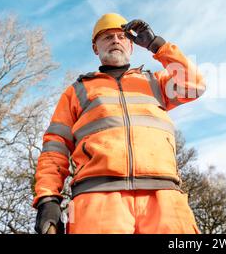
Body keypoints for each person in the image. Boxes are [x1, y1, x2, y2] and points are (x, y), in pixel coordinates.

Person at [33, 13, 205, 234]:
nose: (115, 40)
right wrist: (48, 198)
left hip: (165, 197)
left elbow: (195, 85)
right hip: (96, 198)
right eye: (106, 37)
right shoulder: (77, 91)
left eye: (121, 36)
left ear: (132, 46)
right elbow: (54, 147)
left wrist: (156, 45)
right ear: (95, 48)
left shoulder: (156, 83)